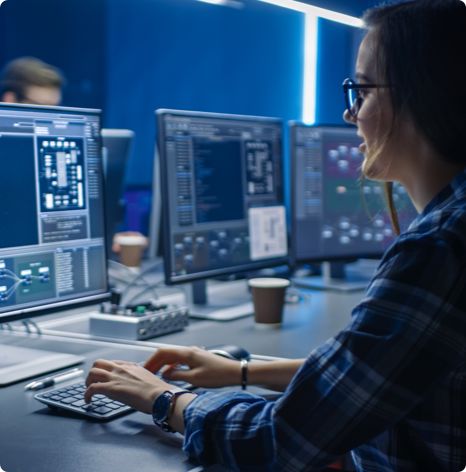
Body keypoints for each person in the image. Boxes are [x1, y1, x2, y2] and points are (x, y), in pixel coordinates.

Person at [84, 0, 466, 470]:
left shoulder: (439, 249)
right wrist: (240, 372)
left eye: (361, 91)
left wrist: (164, 400)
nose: (351, 114)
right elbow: (366, 379)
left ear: (422, 97)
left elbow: (280, 440)